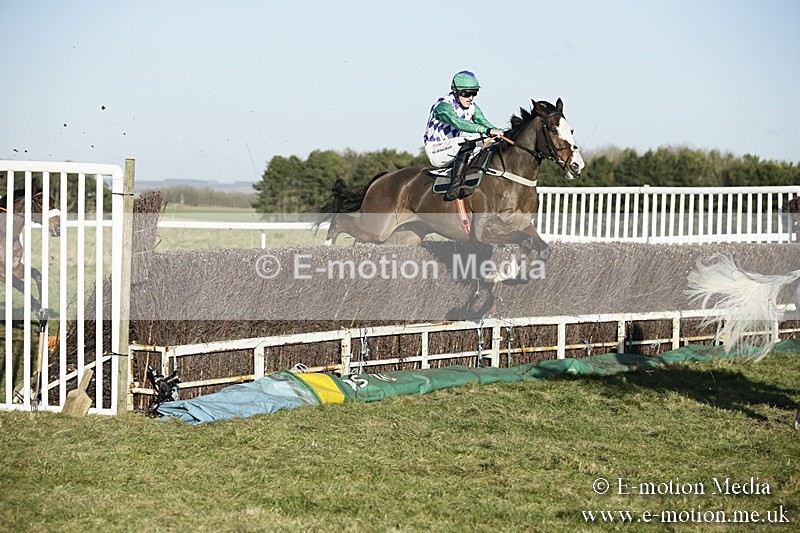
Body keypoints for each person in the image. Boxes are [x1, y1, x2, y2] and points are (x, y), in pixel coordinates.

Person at [423, 70, 505, 200]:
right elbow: (459, 123)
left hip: (455, 147)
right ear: (456, 91)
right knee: (468, 140)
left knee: (489, 142)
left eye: (474, 93)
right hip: (436, 149)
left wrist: (501, 133)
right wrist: (487, 131)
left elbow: (485, 123)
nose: (470, 97)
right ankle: (455, 186)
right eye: (467, 93)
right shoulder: (443, 106)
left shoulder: (472, 107)